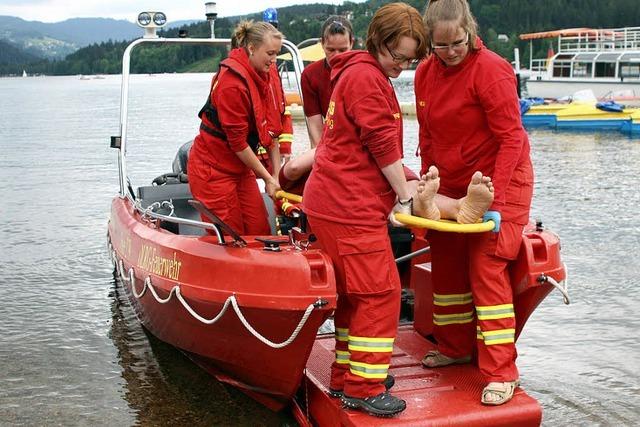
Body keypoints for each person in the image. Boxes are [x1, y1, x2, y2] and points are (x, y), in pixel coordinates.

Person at [303, 3, 427, 417]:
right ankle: (364, 386)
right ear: (378, 42)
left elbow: (365, 147)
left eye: (410, 59)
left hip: (334, 202)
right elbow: (380, 144)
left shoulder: (359, 73)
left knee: (354, 297)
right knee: (381, 293)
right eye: (399, 56)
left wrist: (406, 177)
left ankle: (348, 373)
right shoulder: (366, 78)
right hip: (348, 207)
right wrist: (405, 195)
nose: (403, 66)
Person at [414, 0, 534, 406]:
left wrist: (493, 198)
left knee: (486, 268)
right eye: (440, 45)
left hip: (499, 181)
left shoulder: (492, 69)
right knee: (446, 263)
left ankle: (502, 372)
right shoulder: (426, 73)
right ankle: (453, 347)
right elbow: (428, 133)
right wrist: (429, 176)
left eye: (457, 43)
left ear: (470, 31)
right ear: (430, 41)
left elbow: (512, 138)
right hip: (452, 184)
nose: (449, 52)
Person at [188, 21, 282, 235]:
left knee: (260, 231)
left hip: (241, 169)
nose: (274, 60)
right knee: (230, 237)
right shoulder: (232, 84)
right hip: (213, 170)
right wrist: (267, 178)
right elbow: (238, 143)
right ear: (251, 48)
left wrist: (276, 175)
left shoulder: (266, 76)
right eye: (270, 53)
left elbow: (272, 131)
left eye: (277, 54)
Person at [301, 15, 354, 147]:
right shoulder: (310, 75)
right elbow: (314, 125)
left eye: (342, 50)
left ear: (351, 43)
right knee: (292, 168)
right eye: (331, 50)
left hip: (362, 143)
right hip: (330, 142)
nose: (337, 56)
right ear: (322, 43)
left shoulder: (364, 71)